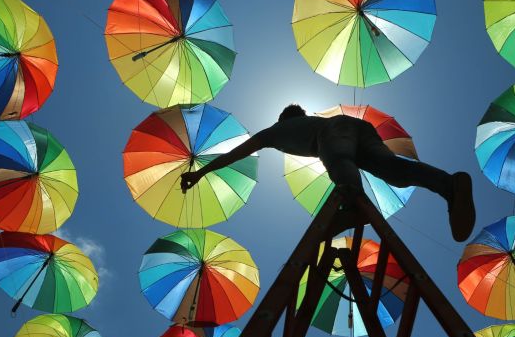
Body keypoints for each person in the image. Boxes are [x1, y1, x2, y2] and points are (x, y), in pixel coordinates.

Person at [180, 104, 475, 242]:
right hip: (358, 127)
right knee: (395, 172)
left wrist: (202, 173)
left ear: (284, 119)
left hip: (335, 133)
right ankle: (449, 184)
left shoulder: (276, 131)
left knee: (337, 157)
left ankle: (353, 202)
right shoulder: (313, 119)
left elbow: (238, 152)